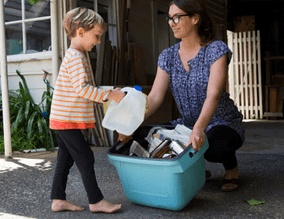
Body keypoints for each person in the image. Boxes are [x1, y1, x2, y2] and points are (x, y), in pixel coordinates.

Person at [120, 0, 245, 192]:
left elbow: (213, 94)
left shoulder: (215, 50)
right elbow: (154, 97)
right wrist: (131, 123)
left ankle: (231, 169)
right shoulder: (168, 56)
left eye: (177, 17)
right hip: (187, 123)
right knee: (142, 135)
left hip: (221, 121)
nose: (172, 22)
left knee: (213, 144)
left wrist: (199, 129)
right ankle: (195, 169)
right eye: (170, 18)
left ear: (195, 19)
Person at [49, 7, 124, 213]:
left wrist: (108, 93)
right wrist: (108, 95)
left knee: (65, 159)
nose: (99, 41)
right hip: (66, 119)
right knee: (85, 157)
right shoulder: (75, 57)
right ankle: (96, 200)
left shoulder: (78, 55)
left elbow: (83, 88)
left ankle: (58, 199)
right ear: (81, 32)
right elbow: (82, 89)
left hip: (64, 118)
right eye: (97, 36)